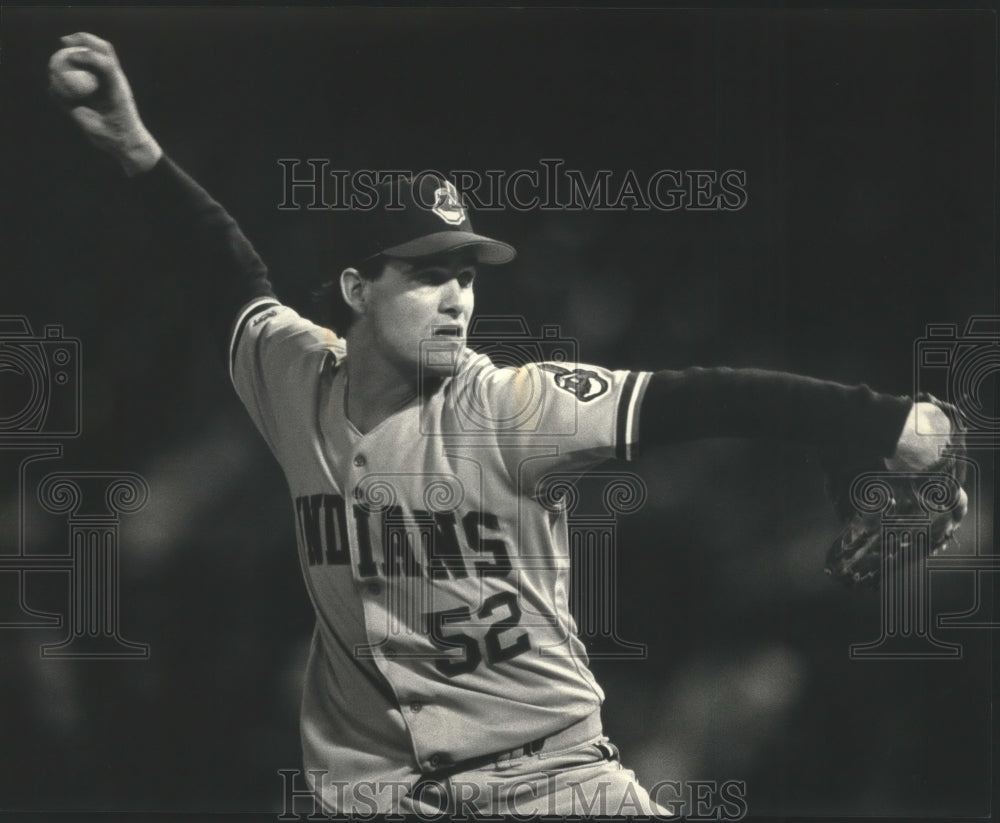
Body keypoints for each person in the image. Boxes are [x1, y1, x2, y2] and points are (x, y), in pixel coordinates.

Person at [48, 32, 959, 817]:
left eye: (469, 274)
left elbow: (700, 395)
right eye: (428, 273)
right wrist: (137, 149)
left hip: (550, 781)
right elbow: (229, 278)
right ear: (358, 292)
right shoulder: (294, 377)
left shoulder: (510, 407)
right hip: (372, 793)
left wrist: (887, 420)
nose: (457, 297)